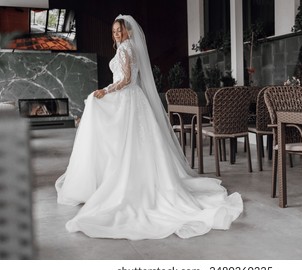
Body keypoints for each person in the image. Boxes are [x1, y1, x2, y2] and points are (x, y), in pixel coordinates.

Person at [55, 15, 243, 240]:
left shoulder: (125, 49)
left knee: (120, 137)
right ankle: (125, 180)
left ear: (128, 32)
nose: (116, 34)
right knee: (134, 144)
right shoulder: (128, 48)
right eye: (114, 31)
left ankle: (120, 185)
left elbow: (125, 79)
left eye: (120, 31)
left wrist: (106, 91)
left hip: (126, 97)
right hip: (134, 99)